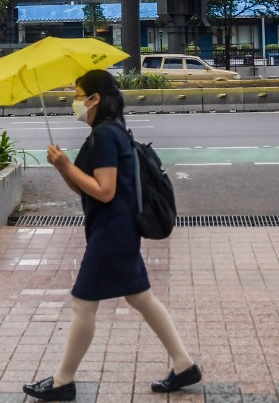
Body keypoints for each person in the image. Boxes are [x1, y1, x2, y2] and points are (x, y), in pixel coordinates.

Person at [24, 69, 201, 400]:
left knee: (82, 304)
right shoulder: (106, 132)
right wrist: (64, 167)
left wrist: (66, 166)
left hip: (112, 232)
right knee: (140, 297)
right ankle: (184, 365)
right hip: (116, 229)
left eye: (79, 96)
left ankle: (63, 381)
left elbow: (103, 192)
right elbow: (84, 189)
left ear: (95, 99)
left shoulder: (105, 135)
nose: (74, 102)